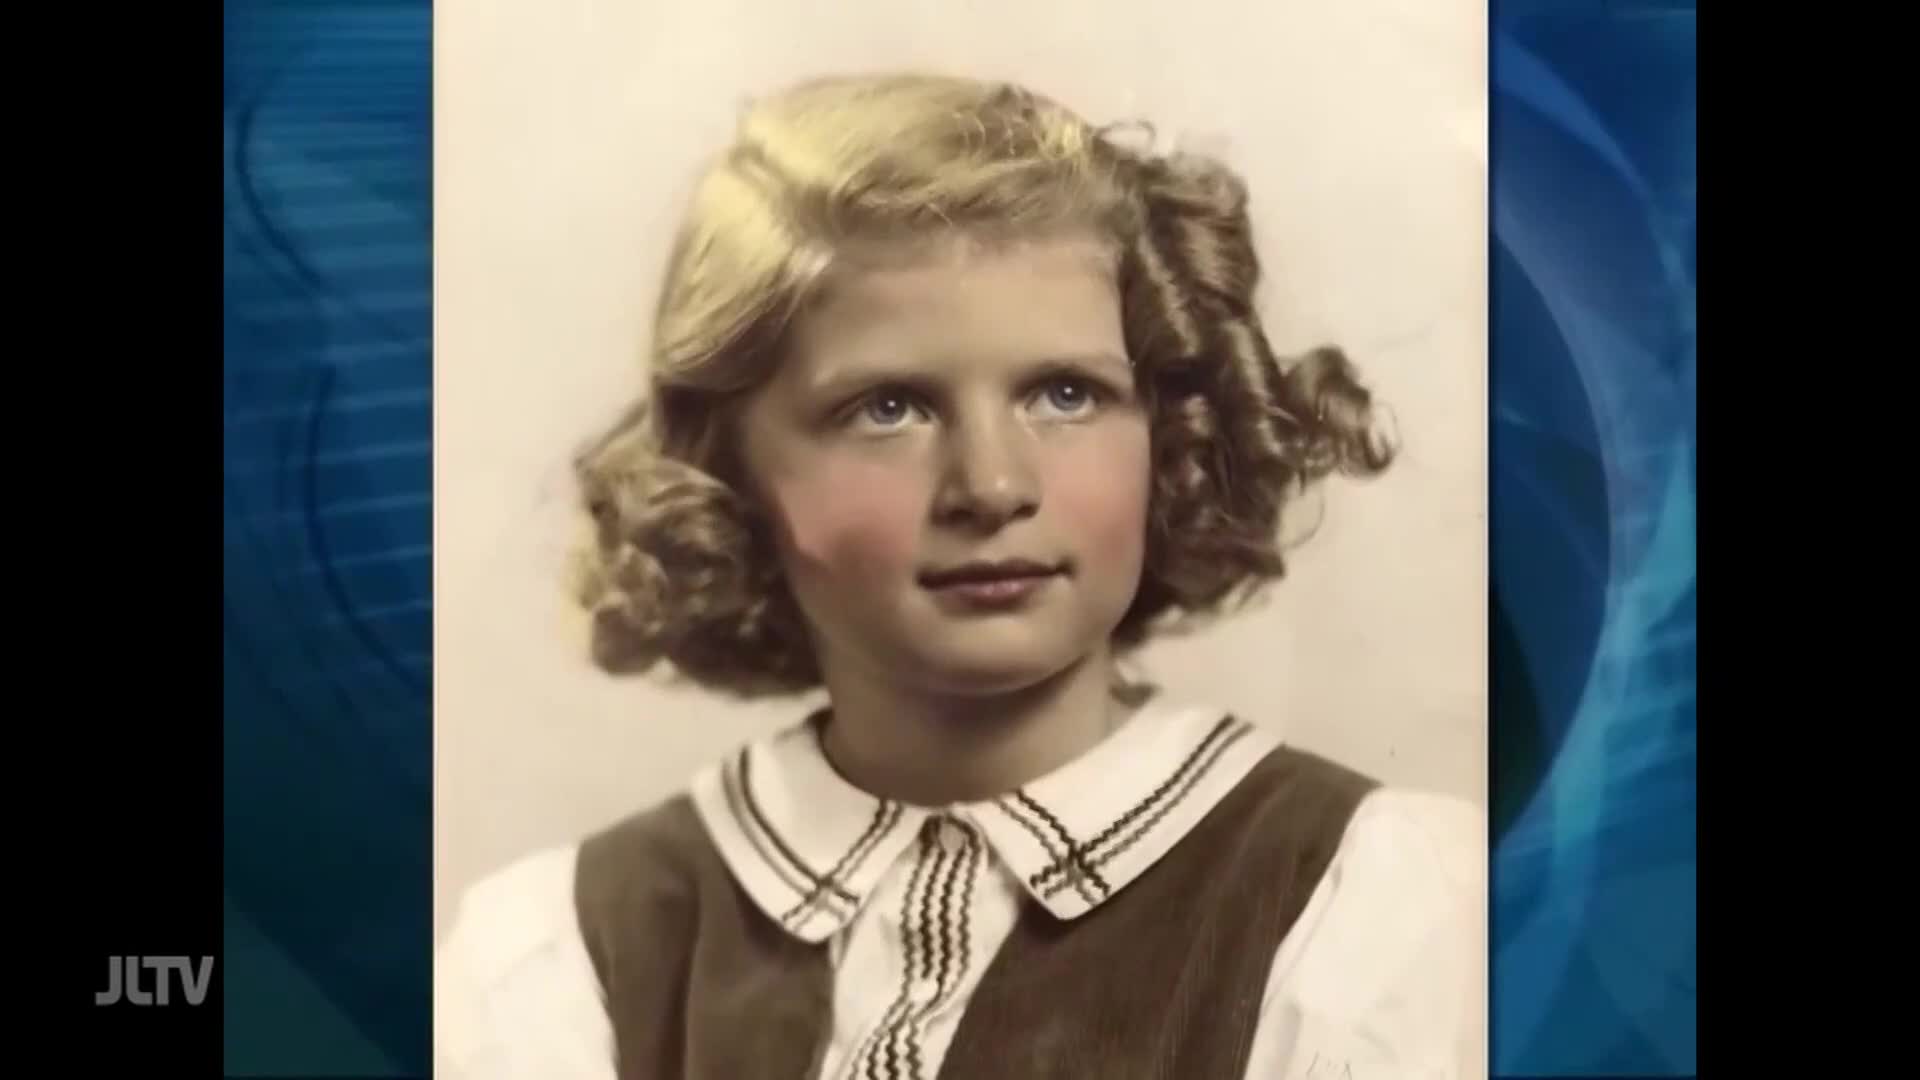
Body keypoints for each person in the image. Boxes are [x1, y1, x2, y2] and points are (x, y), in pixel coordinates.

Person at [435, 71, 1485, 1079]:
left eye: (1066, 394)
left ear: (1166, 425)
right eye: (887, 407)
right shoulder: (567, 951)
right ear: (729, 470)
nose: (991, 485)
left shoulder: (1368, 897)